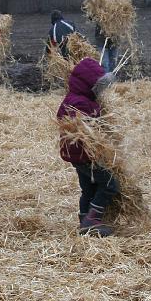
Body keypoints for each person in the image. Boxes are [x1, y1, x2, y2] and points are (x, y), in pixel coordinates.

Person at [57, 57, 118, 236]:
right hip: (85, 154)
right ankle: (91, 220)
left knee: (89, 188)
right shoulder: (81, 104)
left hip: (75, 154)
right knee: (109, 185)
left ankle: (84, 220)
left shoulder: (73, 98)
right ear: (88, 84)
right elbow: (87, 130)